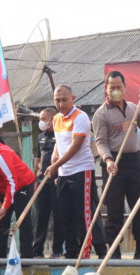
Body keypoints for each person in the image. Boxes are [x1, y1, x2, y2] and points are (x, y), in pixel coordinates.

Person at [92, 70, 140, 260]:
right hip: (113, 164)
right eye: (112, 88)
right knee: (114, 210)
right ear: (106, 89)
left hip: (134, 162)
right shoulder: (101, 114)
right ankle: (114, 251)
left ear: (125, 87)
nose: (116, 91)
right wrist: (108, 160)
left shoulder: (133, 108)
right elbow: (100, 142)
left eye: (119, 87)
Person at [45, 85, 107, 259]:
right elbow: (60, 142)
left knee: (84, 214)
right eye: (57, 100)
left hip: (82, 171)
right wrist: (54, 158)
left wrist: (55, 166)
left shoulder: (81, 117)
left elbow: (75, 146)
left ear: (73, 98)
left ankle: (86, 251)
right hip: (64, 173)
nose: (61, 103)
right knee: (66, 214)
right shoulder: (56, 118)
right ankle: (71, 251)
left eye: (64, 99)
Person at [32, 107, 64, 258]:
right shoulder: (40, 137)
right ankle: (37, 250)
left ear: (52, 119)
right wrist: (34, 177)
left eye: (43, 119)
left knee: (58, 216)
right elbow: (38, 158)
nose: (41, 122)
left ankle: (57, 250)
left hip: (56, 181)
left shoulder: (61, 135)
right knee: (41, 216)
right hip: (41, 181)